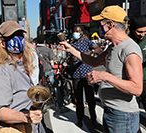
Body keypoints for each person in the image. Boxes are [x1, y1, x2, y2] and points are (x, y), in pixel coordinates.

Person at [60, 5, 142, 133]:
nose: (99, 28)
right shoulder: (112, 47)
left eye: (100, 24)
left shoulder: (129, 49)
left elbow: (137, 88)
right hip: (110, 111)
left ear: (110, 24)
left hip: (123, 116)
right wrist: (72, 50)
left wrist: (104, 76)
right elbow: (93, 62)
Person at [0, 21, 45, 133]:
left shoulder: (21, 64)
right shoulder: (2, 70)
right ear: (2, 43)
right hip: (15, 128)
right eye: (12, 36)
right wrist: (26, 117)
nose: (18, 39)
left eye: (20, 35)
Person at [67, 25, 98, 128]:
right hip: (76, 75)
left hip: (87, 74)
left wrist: (86, 54)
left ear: (81, 33)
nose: (75, 33)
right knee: (78, 99)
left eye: (77, 31)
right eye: (74, 31)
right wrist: (72, 60)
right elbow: (68, 61)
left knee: (90, 98)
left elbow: (98, 49)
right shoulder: (71, 45)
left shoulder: (87, 42)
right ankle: (79, 118)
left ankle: (93, 119)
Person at [129, 16, 146, 112]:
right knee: (133, 111)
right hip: (132, 83)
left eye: (145, 32)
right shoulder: (127, 41)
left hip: (145, 81)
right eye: (139, 32)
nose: (142, 35)